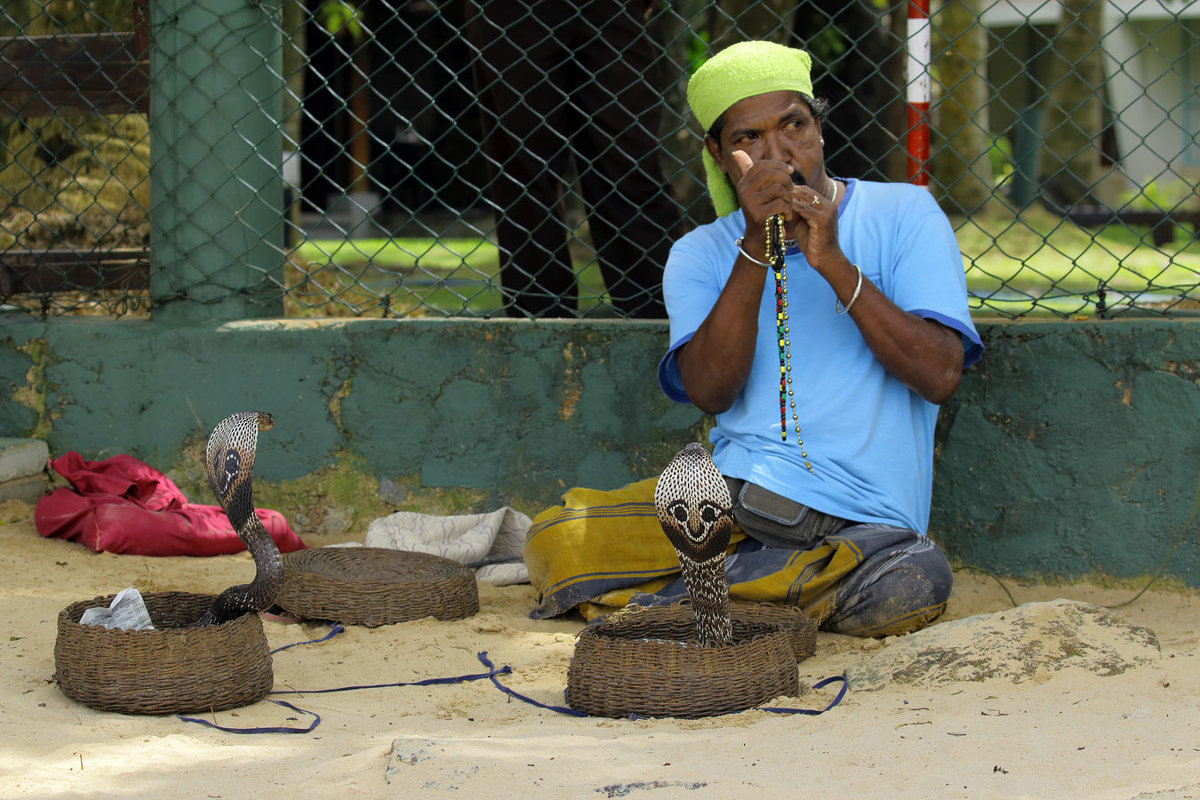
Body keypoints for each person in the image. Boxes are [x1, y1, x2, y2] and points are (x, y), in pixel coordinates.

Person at [524, 41, 983, 637]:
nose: (779, 153)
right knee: (557, 540)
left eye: (794, 124)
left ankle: (691, 603)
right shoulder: (699, 254)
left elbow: (940, 375)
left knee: (915, 580)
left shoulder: (905, 214)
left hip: (865, 524)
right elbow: (711, 391)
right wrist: (755, 247)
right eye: (749, 139)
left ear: (818, 127)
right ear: (718, 154)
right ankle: (773, 597)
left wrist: (834, 264)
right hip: (737, 504)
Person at [464, 0, 681, 319]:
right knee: (524, 172)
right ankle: (539, 323)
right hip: (509, 10)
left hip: (610, 8)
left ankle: (663, 315)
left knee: (630, 161)